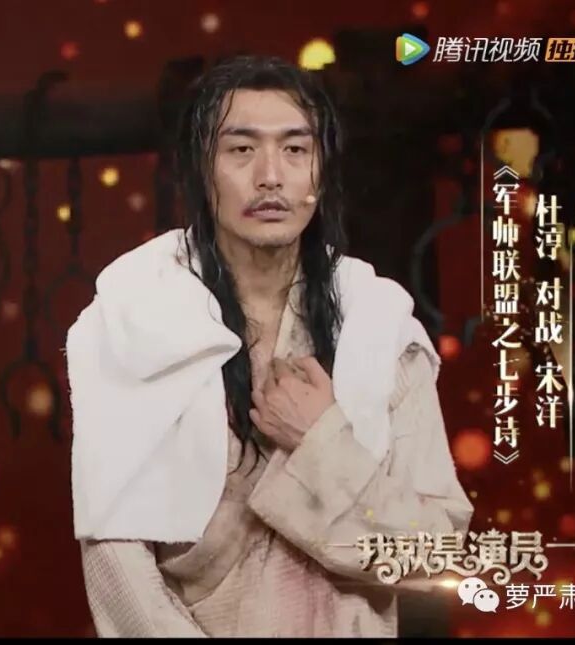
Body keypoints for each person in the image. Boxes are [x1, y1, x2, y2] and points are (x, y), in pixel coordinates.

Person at [66, 55, 474, 637]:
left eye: (295, 149)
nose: (270, 176)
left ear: (320, 173)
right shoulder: (133, 318)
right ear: (201, 170)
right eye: (241, 149)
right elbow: (116, 558)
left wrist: (323, 440)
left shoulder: (378, 327)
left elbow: (436, 553)